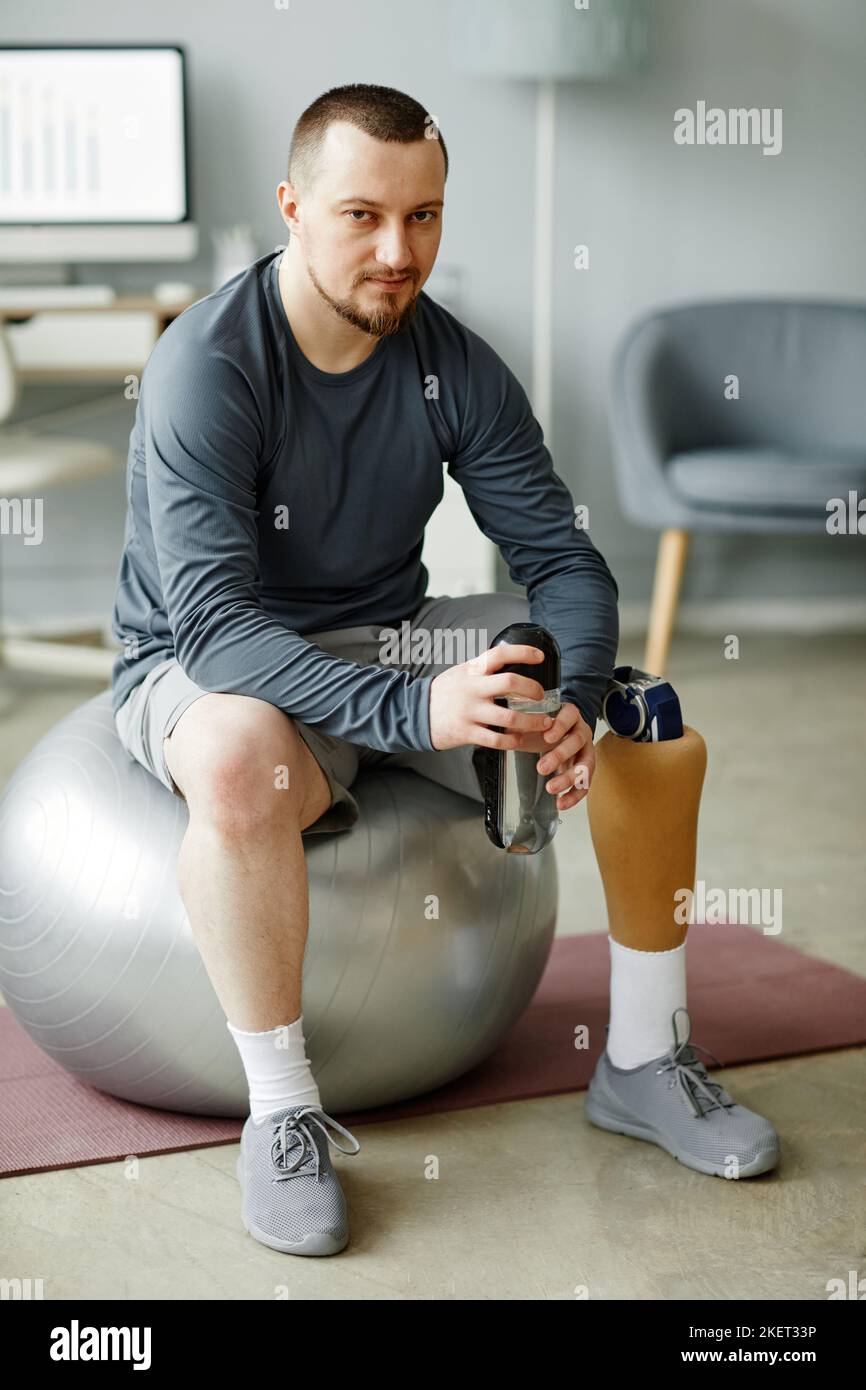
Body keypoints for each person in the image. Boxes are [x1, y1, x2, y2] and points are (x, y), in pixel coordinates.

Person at [110, 83, 780, 1259]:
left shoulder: (450, 362)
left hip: (388, 633)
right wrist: (416, 707)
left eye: (422, 216)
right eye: (362, 215)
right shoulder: (206, 365)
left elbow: (563, 564)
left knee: (647, 718)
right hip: (210, 661)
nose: (396, 250)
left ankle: (640, 1056)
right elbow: (212, 622)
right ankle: (283, 1113)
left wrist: (571, 701)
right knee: (237, 754)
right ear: (291, 207)